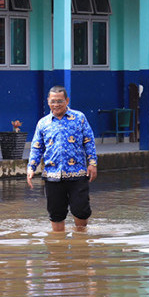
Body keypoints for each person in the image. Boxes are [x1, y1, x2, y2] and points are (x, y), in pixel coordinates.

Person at [26, 85, 97, 232]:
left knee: (81, 209)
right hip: (52, 175)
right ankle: (58, 246)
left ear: (67, 100)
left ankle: (81, 240)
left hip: (77, 173)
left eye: (59, 101)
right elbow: (37, 147)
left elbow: (89, 141)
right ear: (48, 101)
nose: (56, 105)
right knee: (56, 213)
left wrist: (92, 163)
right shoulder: (43, 123)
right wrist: (31, 168)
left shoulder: (79, 118)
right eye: (53, 101)